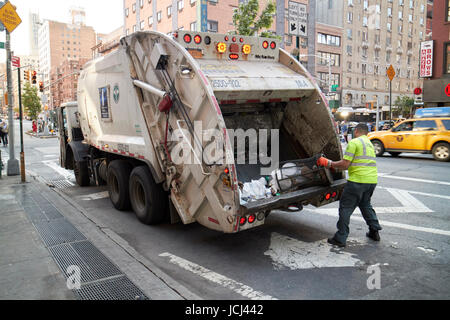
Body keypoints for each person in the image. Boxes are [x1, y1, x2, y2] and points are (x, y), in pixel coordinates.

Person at [317, 123, 382, 248]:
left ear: (356, 131)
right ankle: (374, 231)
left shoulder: (354, 142)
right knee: (365, 205)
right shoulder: (369, 144)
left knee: (345, 208)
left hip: (357, 181)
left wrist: (328, 163)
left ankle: (340, 238)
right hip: (371, 181)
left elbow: (345, 164)